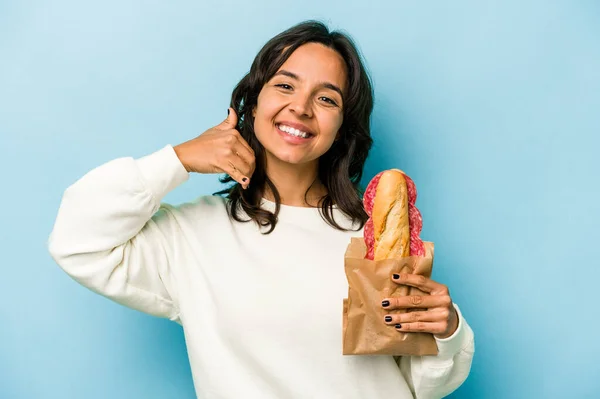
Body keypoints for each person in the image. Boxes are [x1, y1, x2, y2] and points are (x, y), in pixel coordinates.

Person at [48, 20, 474, 399]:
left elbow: (421, 385)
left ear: (342, 128)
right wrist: (176, 159)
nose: (301, 108)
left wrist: (446, 331)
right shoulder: (192, 236)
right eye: (285, 86)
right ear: (252, 102)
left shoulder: (375, 238)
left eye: (326, 99)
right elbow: (78, 242)